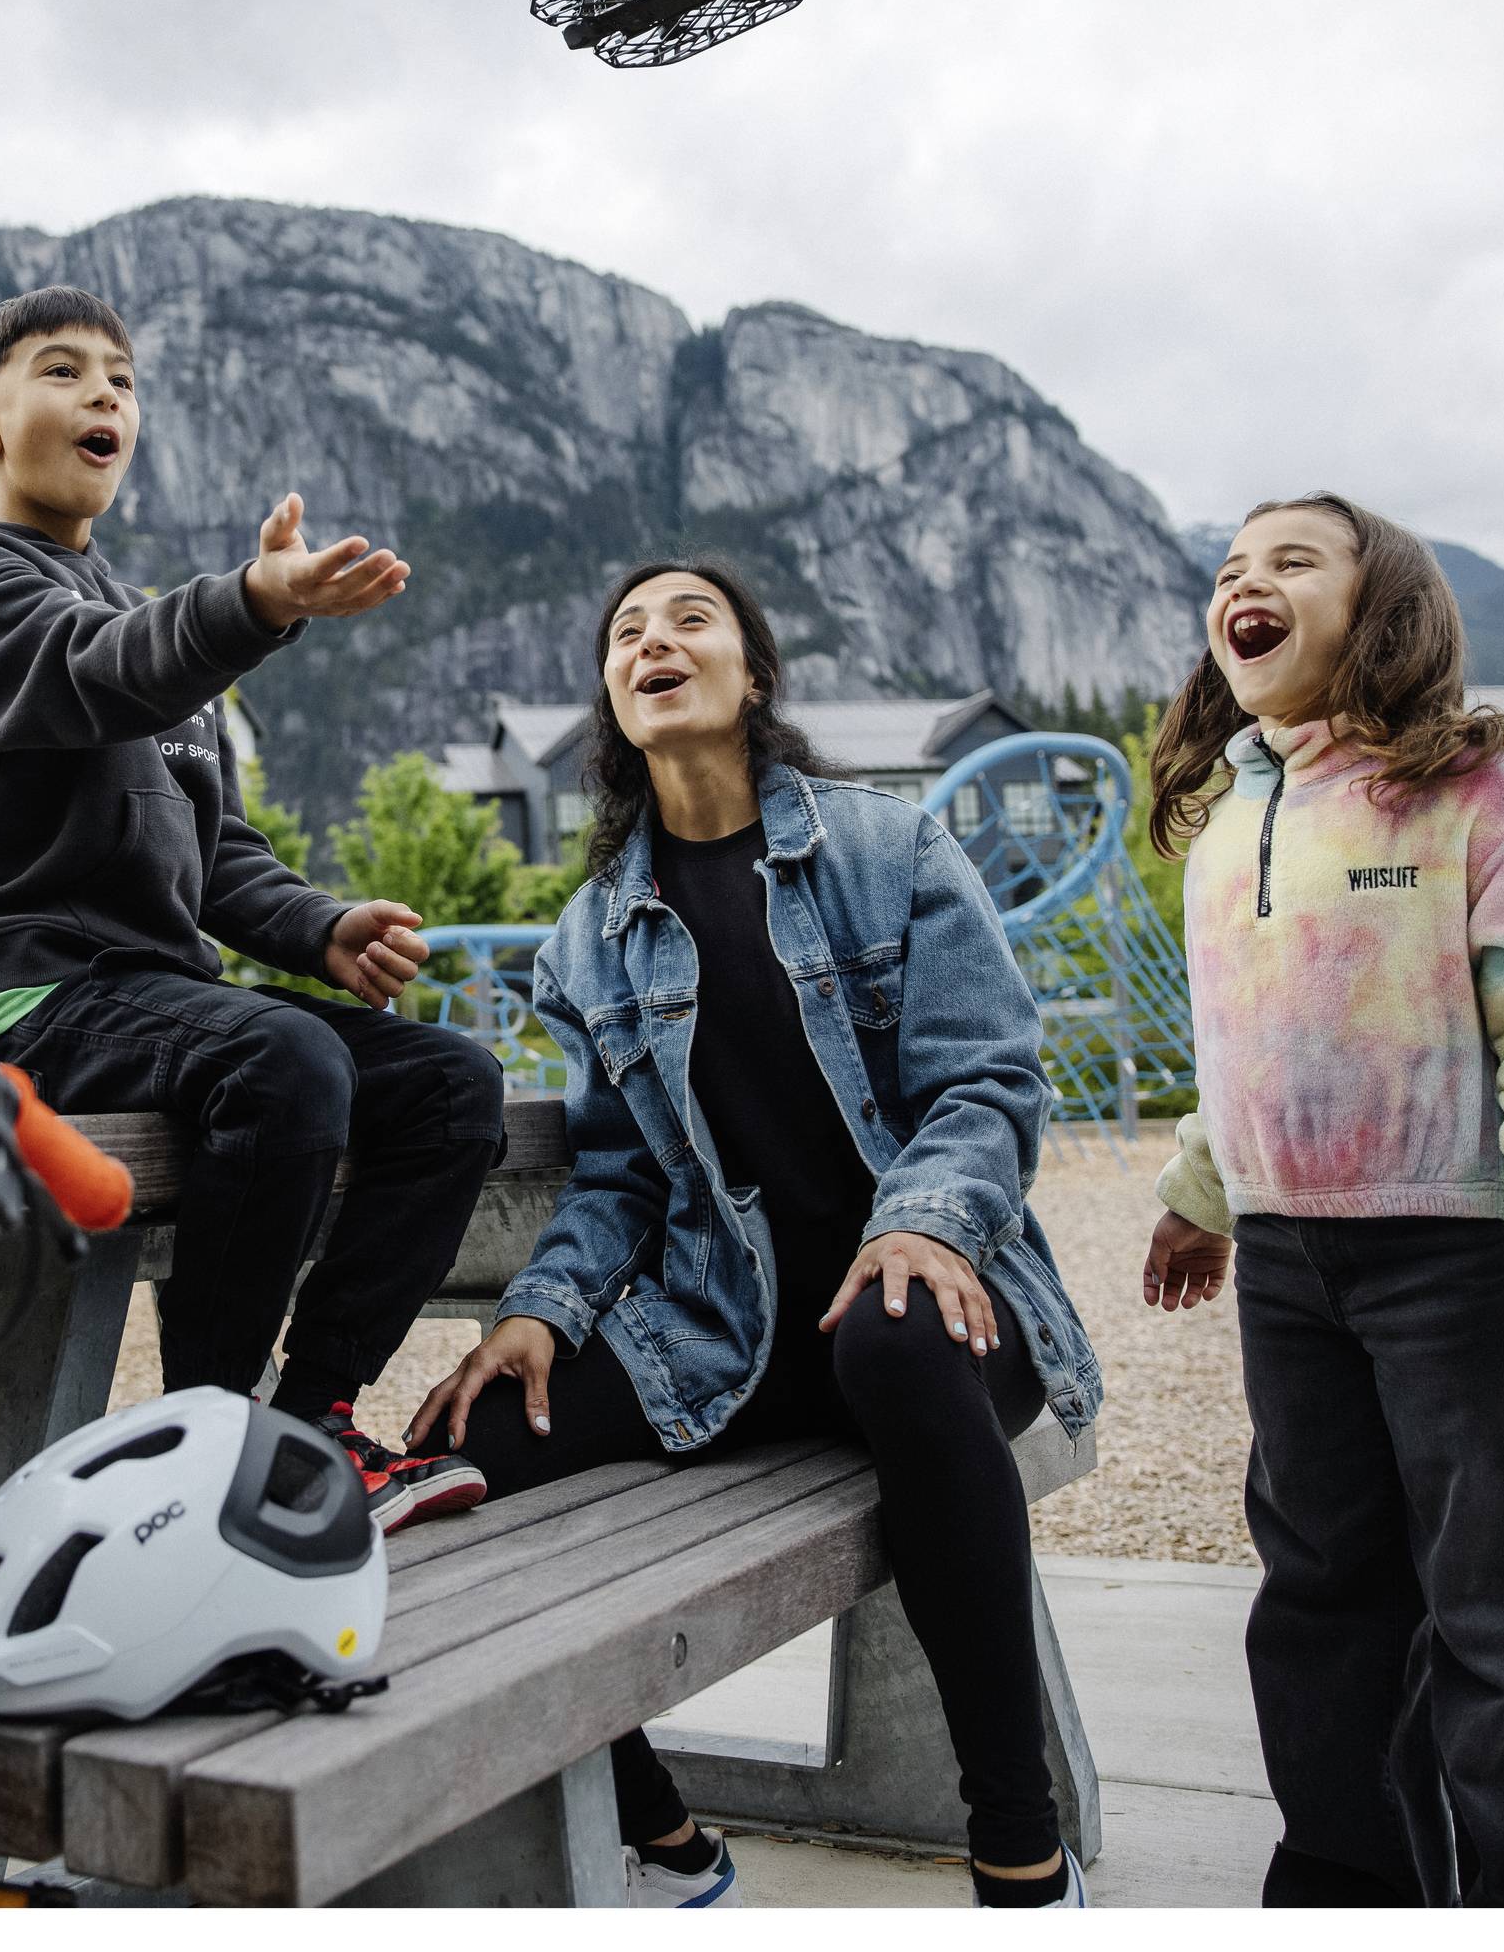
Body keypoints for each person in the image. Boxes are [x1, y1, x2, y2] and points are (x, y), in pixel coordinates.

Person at [411, 559, 1102, 1910]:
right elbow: (614, 1178)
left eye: (689, 619)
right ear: (614, 698)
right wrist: (539, 1312)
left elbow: (990, 1083)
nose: (652, 641)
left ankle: (1020, 1850)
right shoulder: (594, 933)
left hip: (947, 1318)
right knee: (457, 1456)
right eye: (625, 632)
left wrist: (921, 1225)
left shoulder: (887, 849)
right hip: (739, 1340)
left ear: (753, 674)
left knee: (897, 1334)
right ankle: (663, 1836)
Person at [0, 287, 502, 1534]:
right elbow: (94, 677)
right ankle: (211, 1450)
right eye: (65, 372)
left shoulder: (148, 628)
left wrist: (317, 925)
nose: (107, 395)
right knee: (285, 1056)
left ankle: (311, 1420)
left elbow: (212, 847)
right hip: (25, 1010)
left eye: (124, 379)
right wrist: (255, 604)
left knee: (449, 1085)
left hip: (155, 1005)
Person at [1138, 494, 1504, 1907]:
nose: (1248, 583)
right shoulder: (1230, 817)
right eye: (1232, 570)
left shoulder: (1474, 793)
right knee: (1320, 1588)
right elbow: (1246, 1041)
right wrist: (1203, 1191)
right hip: (1293, 1269)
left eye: (1293, 561)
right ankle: (1347, 1881)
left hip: (1455, 1246)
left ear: (1384, 609)